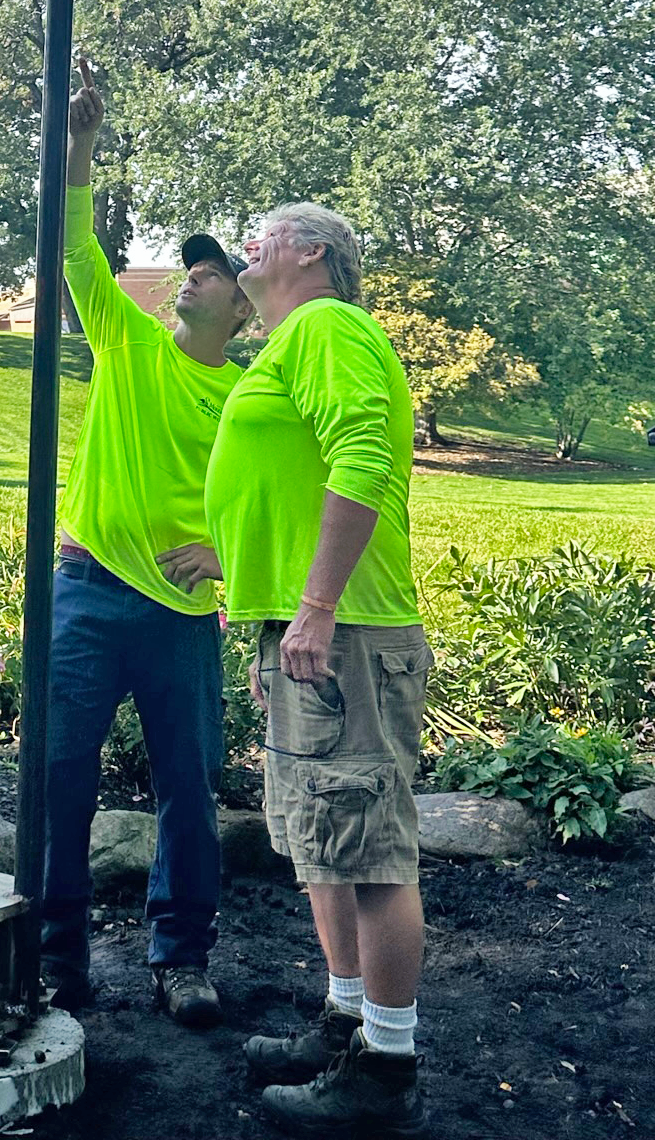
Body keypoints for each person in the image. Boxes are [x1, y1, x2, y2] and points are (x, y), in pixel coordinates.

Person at [194, 203, 430, 1138]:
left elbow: (364, 459)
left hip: (349, 629)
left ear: (313, 252)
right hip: (304, 631)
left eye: (263, 230)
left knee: (369, 852)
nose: (246, 243)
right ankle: (346, 1019)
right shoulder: (295, 341)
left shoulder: (329, 326)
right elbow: (285, 483)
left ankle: (387, 1065)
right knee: (323, 841)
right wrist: (267, 609)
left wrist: (320, 608)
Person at [44, 57, 252, 1027]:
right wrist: (80, 145)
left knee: (186, 789)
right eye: (192, 264)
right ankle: (58, 960)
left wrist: (227, 559)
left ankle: (181, 959)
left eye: (212, 272)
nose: (192, 275)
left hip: (178, 614)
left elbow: (285, 503)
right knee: (60, 773)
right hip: (86, 588)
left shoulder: (254, 398)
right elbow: (73, 248)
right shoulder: (126, 340)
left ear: (243, 309)